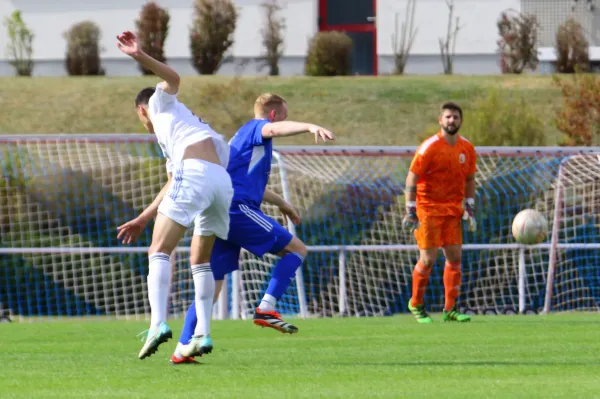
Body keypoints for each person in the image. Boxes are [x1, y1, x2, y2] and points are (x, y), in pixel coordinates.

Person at [171, 93, 334, 363]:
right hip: (238, 209)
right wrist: (309, 126)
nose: (284, 120)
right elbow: (274, 129)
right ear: (273, 115)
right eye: (284, 115)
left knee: (212, 286)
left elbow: (249, 183)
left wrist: (283, 203)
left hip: (223, 210)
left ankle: (181, 348)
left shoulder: (243, 138)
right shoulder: (257, 128)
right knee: (297, 250)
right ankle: (266, 308)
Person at [115, 31, 234, 359]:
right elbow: (173, 183)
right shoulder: (186, 129)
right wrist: (143, 217)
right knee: (200, 260)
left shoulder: (158, 102)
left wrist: (139, 56)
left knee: (158, 250)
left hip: (195, 173)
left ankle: (157, 324)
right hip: (220, 182)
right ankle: (203, 335)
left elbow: (173, 77)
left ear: (141, 111)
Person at [402, 101, 477, 324]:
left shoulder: (467, 148)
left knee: (455, 258)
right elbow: (412, 177)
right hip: (428, 209)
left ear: (461, 121)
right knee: (428, 259)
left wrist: (469, 207)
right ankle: (416, 304)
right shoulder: (429, 147)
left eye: (455, 117)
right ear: (440, 120)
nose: (452, 120)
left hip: (453, 210)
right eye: (448, 117)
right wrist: (410, 209)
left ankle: (450, 309)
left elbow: (470, 178)